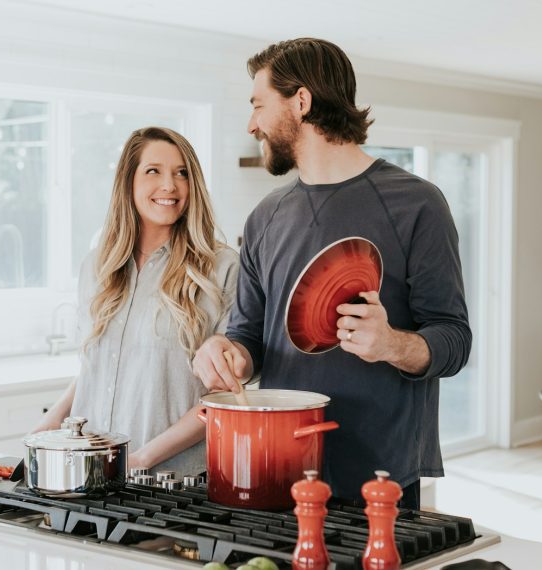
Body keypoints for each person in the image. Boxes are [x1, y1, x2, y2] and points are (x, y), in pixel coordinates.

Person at [191, 38, 471, 509]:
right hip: (279, 468)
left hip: (378, 476)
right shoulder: (265, 216)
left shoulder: (417, 203)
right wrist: (228, 352)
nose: (252, 123)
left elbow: (455, 339)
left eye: (258, 104)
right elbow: (248, 336)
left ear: (301, 102)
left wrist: (392, 344)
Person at [34, 126, 239, 477]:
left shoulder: (220, 268)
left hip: (173, 481)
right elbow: (97, 365)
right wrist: (49, 425)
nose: (170, 186)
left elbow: (224, 397)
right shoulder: (98, 265)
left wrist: (141, 458)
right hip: (91, 475)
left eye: (181, 173)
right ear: (128, 182)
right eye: (153, 171)